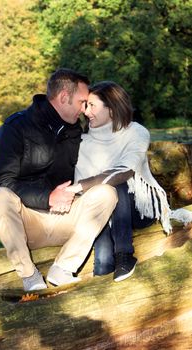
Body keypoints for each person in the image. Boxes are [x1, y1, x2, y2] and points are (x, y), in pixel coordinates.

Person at [0, 69, 118, 292]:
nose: (85, 109)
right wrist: (48, 197)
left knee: (107, 193)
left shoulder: (75, 130)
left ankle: (64, 268)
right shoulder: (15, 128)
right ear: (64, 98)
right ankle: (29, 276)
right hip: (29, 223)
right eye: (82, 102)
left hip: (66, 219)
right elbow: (2, 182)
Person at [68, 81, 191, 282]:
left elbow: (126, 169)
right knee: (103, 262)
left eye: (92, 105)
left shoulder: (136, 131)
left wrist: (83, 185)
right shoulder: (83, 141)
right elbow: (85, 188)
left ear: (111, 108)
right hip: (103, 211)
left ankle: (125, 255)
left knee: (116, 183)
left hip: (139, 209)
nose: (85, 111)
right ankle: (104, 274)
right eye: (85, 105)